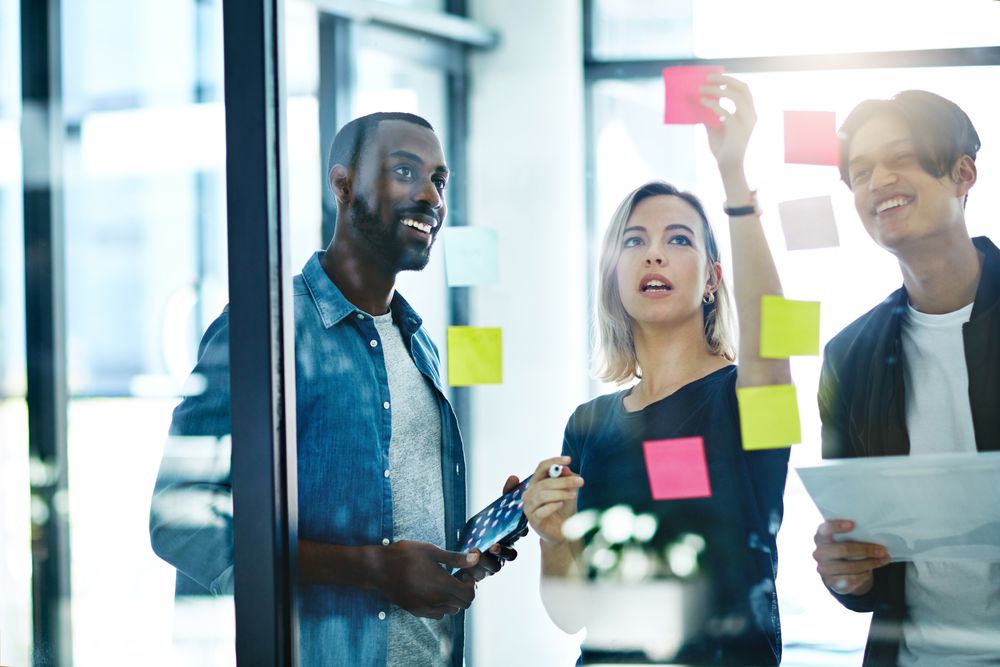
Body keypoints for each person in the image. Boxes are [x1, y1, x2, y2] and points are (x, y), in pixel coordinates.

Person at [150, 112, 516, 666]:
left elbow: (396, 525)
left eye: (439, 181)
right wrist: (375, 569)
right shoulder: (264, 330)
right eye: (404, 172)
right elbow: (177, 521)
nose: (430, 197)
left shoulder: (420, 346)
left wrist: (461, 556)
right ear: (342, 185)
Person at [524, 76, 790, 665]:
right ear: (614, 278)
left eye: (678, 240)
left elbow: (773, 334)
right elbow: (571, 614)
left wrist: (734, 179)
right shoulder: (588, 423)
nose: (654, 253)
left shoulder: (746, 397)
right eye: (635, 240)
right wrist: (552, 537)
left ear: (714, 281)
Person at [812, 91, 1000, 665]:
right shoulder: (849, 356)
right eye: (861, 171)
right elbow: (864, 570)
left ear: (962, 173)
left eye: (901, 159)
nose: (878, 181)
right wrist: (845, 572)